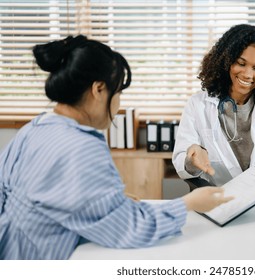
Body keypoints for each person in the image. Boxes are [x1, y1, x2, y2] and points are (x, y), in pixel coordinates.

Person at [0, 35, 233, 260]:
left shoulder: (36, 127)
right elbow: (130, 228)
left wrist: (111, 202)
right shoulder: (82, 147)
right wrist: (189, 204)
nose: (119, 102)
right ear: (99, 89)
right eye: (118, 92)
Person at [172, 24, 255, 201]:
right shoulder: (198, 105)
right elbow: (183, 163)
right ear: (226, 60)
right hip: (220, 200)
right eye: (241, 63)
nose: (247, 74)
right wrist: (192, 159)